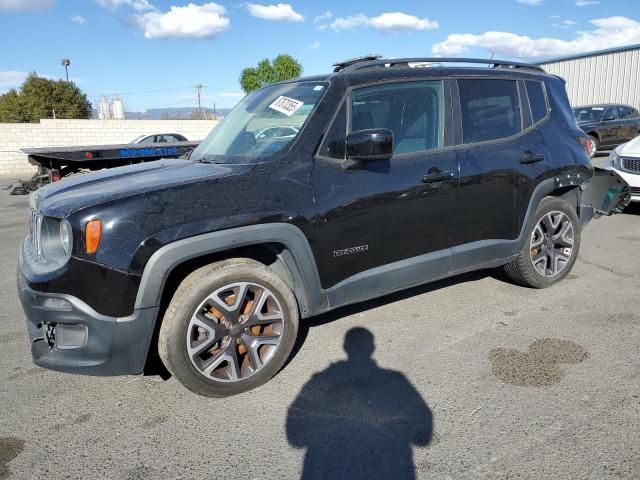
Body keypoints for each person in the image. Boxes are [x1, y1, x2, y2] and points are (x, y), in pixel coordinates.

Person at [286, 327, 433, 480]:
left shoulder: (321, 379)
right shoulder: (396, 380)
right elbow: (423, 437)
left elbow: (295, 437)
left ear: (345, 348)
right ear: (372, 348)